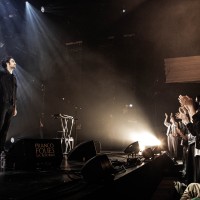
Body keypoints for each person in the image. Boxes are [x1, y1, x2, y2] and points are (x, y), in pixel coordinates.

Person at [0, 56, 17, 153]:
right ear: (7, 63)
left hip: (11, 106)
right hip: (2, 104)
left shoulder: (14, 78)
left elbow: (15, 93)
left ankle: (1, 148)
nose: (15, 63)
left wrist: (15, 106)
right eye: (13, 61)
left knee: (6, 128)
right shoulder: (1, 75)